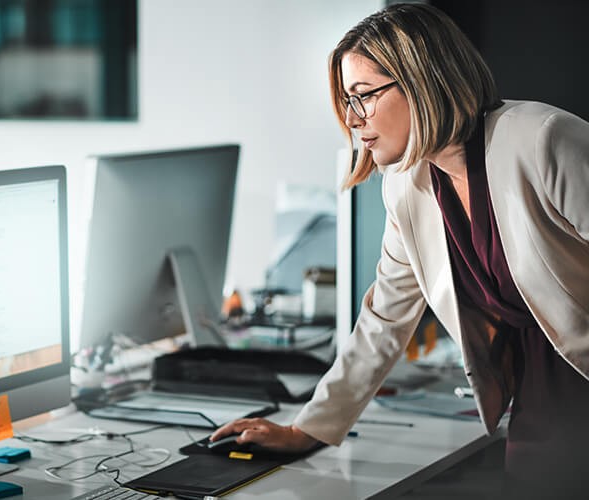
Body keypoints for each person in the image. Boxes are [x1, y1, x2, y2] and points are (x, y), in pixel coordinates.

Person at [211, 3, 589, 497]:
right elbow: (385, 319)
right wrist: (309, 428)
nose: (351, 118)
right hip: (544, 400)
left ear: (421, 82)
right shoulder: (407, 185)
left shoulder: (542, 140)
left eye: (364, 96)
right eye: (347, 100)